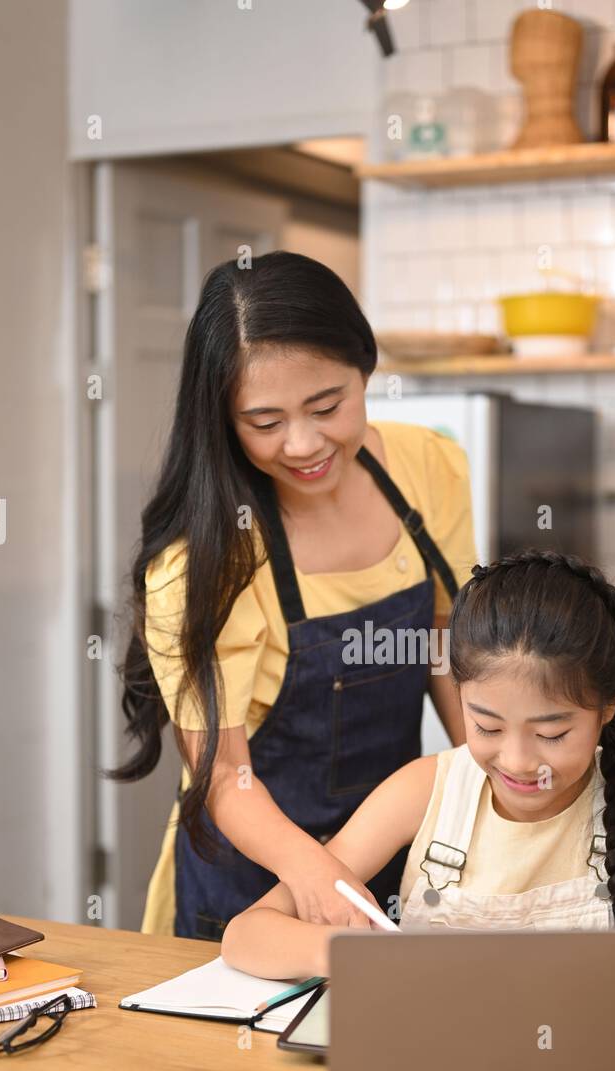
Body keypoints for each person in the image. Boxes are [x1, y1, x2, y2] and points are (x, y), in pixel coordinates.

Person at [221, 550, 615, 1023]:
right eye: (486, 725)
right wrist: (366, 957)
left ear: (608, 706)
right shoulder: (426, 788)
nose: (519, 760)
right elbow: (246, 937)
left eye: (552, 732)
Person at [107, 252, 477, 939]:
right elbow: (223, 775)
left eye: (328, 405)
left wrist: (491, 791)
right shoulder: (203, 564)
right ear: (221, 417)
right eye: (265, 422)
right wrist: (320, 876)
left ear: (365, 370)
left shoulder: (429, 466)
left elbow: (446, 650)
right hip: (251, 885)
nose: (304, 444)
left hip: (395, 851)